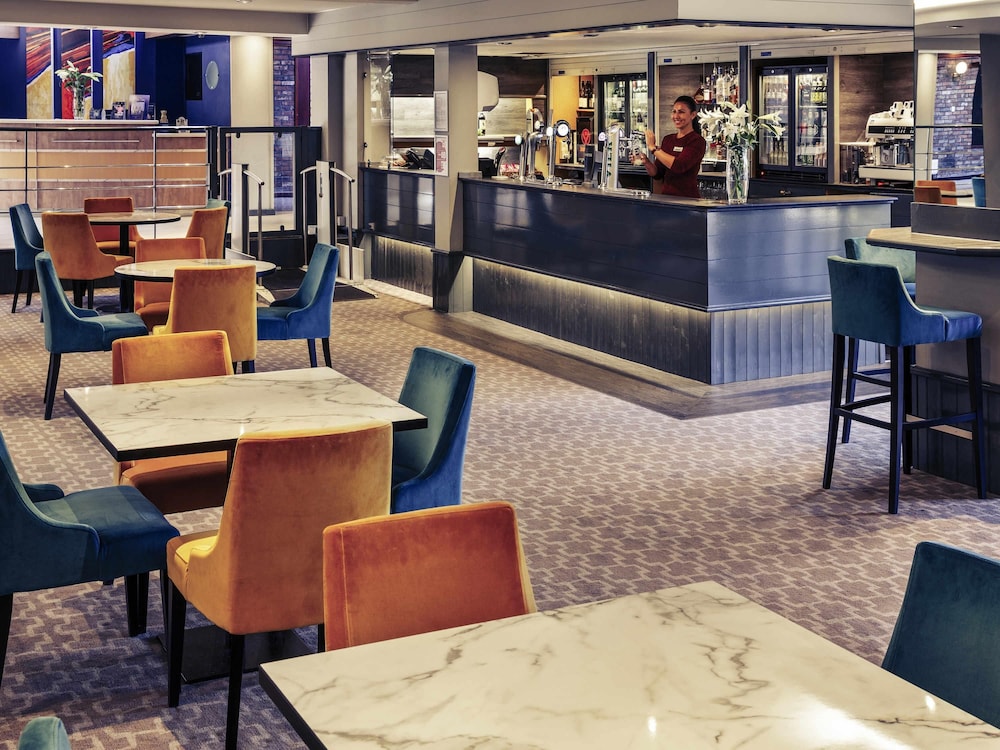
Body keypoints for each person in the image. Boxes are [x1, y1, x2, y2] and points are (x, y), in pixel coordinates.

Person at [641, 95, 707, 198]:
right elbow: (657, 174)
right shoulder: (668, 140)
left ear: (693, 115)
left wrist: (653, 148)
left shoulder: (697, 141)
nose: (676, 116)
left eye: (681, 112)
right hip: (667, 199)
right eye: (674, 111)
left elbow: (679, 166)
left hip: (688, 199)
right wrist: (646, 162)